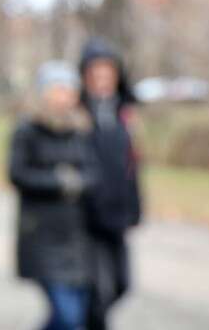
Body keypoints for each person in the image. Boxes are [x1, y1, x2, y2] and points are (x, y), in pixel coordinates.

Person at [9, 61, 97, 330]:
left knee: (77, 315)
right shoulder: (27, 129)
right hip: (41, 235)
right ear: (44, 92)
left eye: (70, 90)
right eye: (59, 89)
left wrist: (76, 181)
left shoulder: (80, 130)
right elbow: (19, 174)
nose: (65, 95)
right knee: (68, 318)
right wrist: (60, 181)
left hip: (76, 236)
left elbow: (93, 172)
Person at [78, 38, 142, 330]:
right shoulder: (78, 114)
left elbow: (132, 165)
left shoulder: (123, 114)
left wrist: (135, 206)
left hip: (117, 216)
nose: (103, 79)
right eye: (96, 73)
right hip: (87, 220)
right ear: (85, 77)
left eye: (108, 72)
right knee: (97, 296)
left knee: (122, 285)